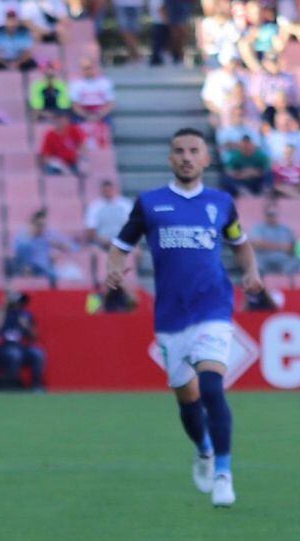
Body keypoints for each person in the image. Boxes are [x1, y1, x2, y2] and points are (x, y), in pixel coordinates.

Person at [106, 128, 264, 507]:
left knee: (211, 387)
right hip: (171, 317)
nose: (187, 157)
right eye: (179, 151)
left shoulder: (221, 203)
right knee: (187, 397)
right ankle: (204, 449)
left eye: (194, 150)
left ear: (207, 159)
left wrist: (251, 272)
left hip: (213, 308)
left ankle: (224, 473)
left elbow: (241, 245)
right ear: (170, 158)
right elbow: (120, 245)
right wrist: (114, 268)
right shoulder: (150, 203)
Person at [0, 290, 46, 389]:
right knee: (15, 354)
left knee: (38, 353)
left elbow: (35, 336)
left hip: (22, 347)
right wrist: (4, 307)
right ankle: (14, 385)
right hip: (3, 348)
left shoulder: (25, 314)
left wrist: (26, 326)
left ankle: (37, 386)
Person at [11, 208, 76, 282]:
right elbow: (18, 257)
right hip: (31, 270)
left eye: (43, 225)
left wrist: (59, 245)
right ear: (32, 224)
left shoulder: (48, 235)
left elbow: (73, 247)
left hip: (46, 270)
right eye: (39, 225)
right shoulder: (22, 239)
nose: (41, 228)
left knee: (71, 274)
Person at [248, 203, 300, 273]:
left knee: (296, 262)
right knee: (255, 264)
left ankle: (286, 282)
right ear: (265, 215)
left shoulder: (286, 229)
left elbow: (292, 247)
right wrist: (281, 246)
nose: (272, 217)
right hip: (264, 258)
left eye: (274, 214)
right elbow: (257, 244)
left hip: (283, 259)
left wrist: (267, 244)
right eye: (269, 214)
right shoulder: (258, 228)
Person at [84, 179, 134, 248]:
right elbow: (91, 230)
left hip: (122, 242)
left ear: (114, 189)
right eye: (105, 191)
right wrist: (102, 241)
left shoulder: (126, 204)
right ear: (101, 191)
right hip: (102, 244)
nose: (107, 192)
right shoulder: (94, 207)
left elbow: (131, 226)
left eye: (109, 190)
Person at [68, 58, 116, 126]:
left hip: (101, 113)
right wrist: (86, 116)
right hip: (82, 113)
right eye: (84, 68)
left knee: (108, 123)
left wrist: (98, 115)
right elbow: (74, 105)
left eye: (90, 68)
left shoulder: (105, 82)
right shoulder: (75, 84)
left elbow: (111, 104)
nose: (88, 70)